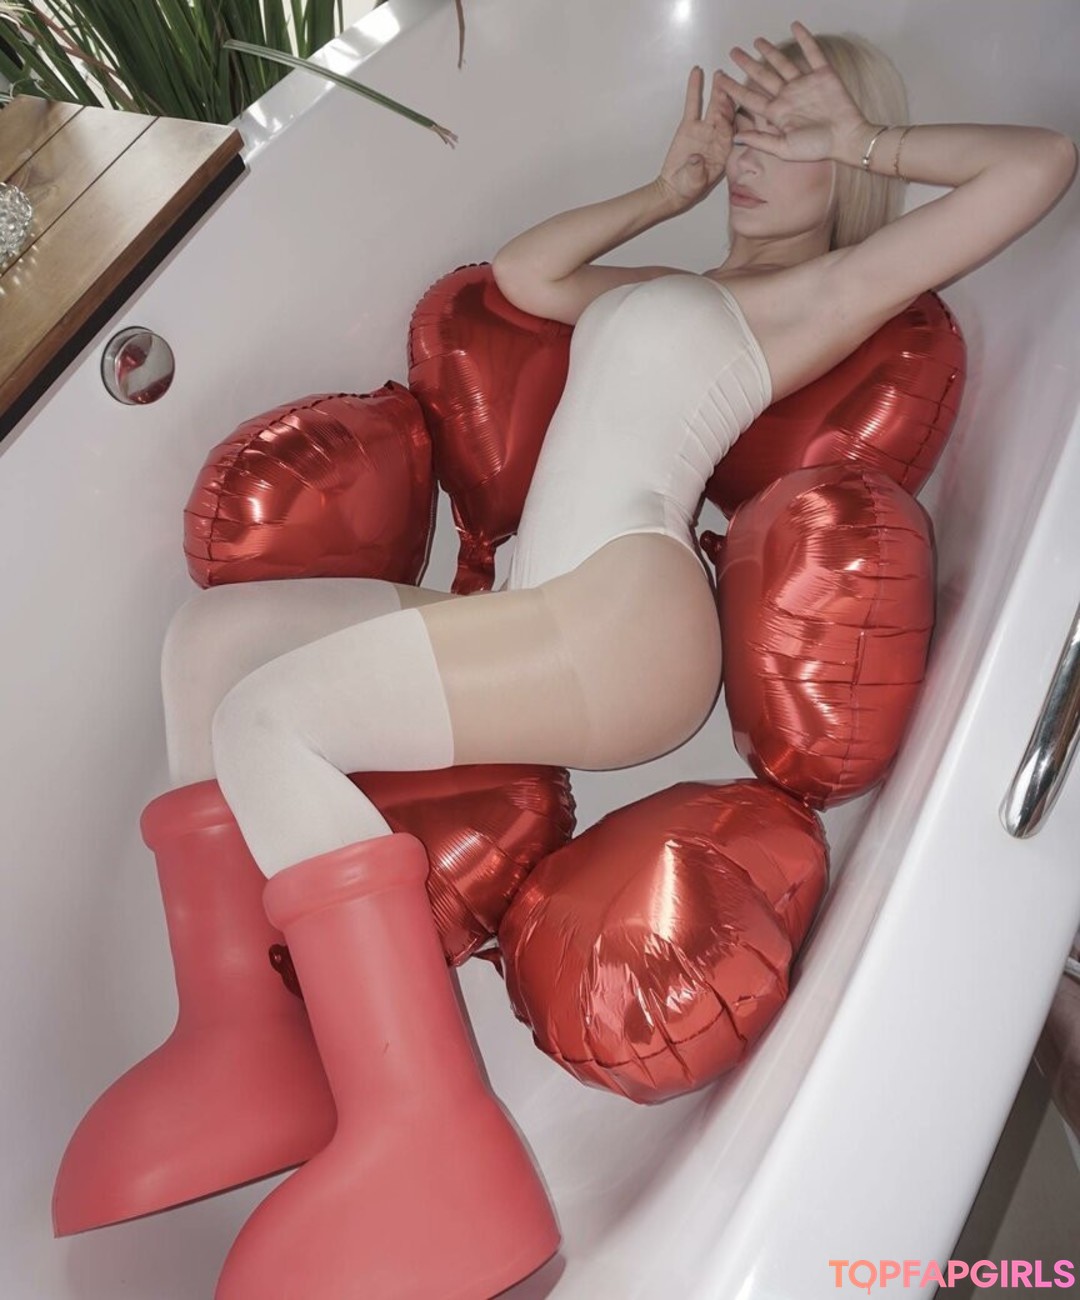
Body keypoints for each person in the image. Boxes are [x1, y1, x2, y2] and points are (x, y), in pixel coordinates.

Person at [129, 20, 1080, 1296]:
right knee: (211, 645)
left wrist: (867, 141)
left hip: (620, 621)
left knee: (269, 721)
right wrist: (666, 189)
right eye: (752, 127)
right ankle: (246, 1036)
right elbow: (526, 276)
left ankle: (429, 1139)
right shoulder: (677, 282)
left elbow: (1041, 165)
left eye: (791, 135)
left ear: (846, 172)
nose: (757, 152)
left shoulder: (818, 293)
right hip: (561, 608)